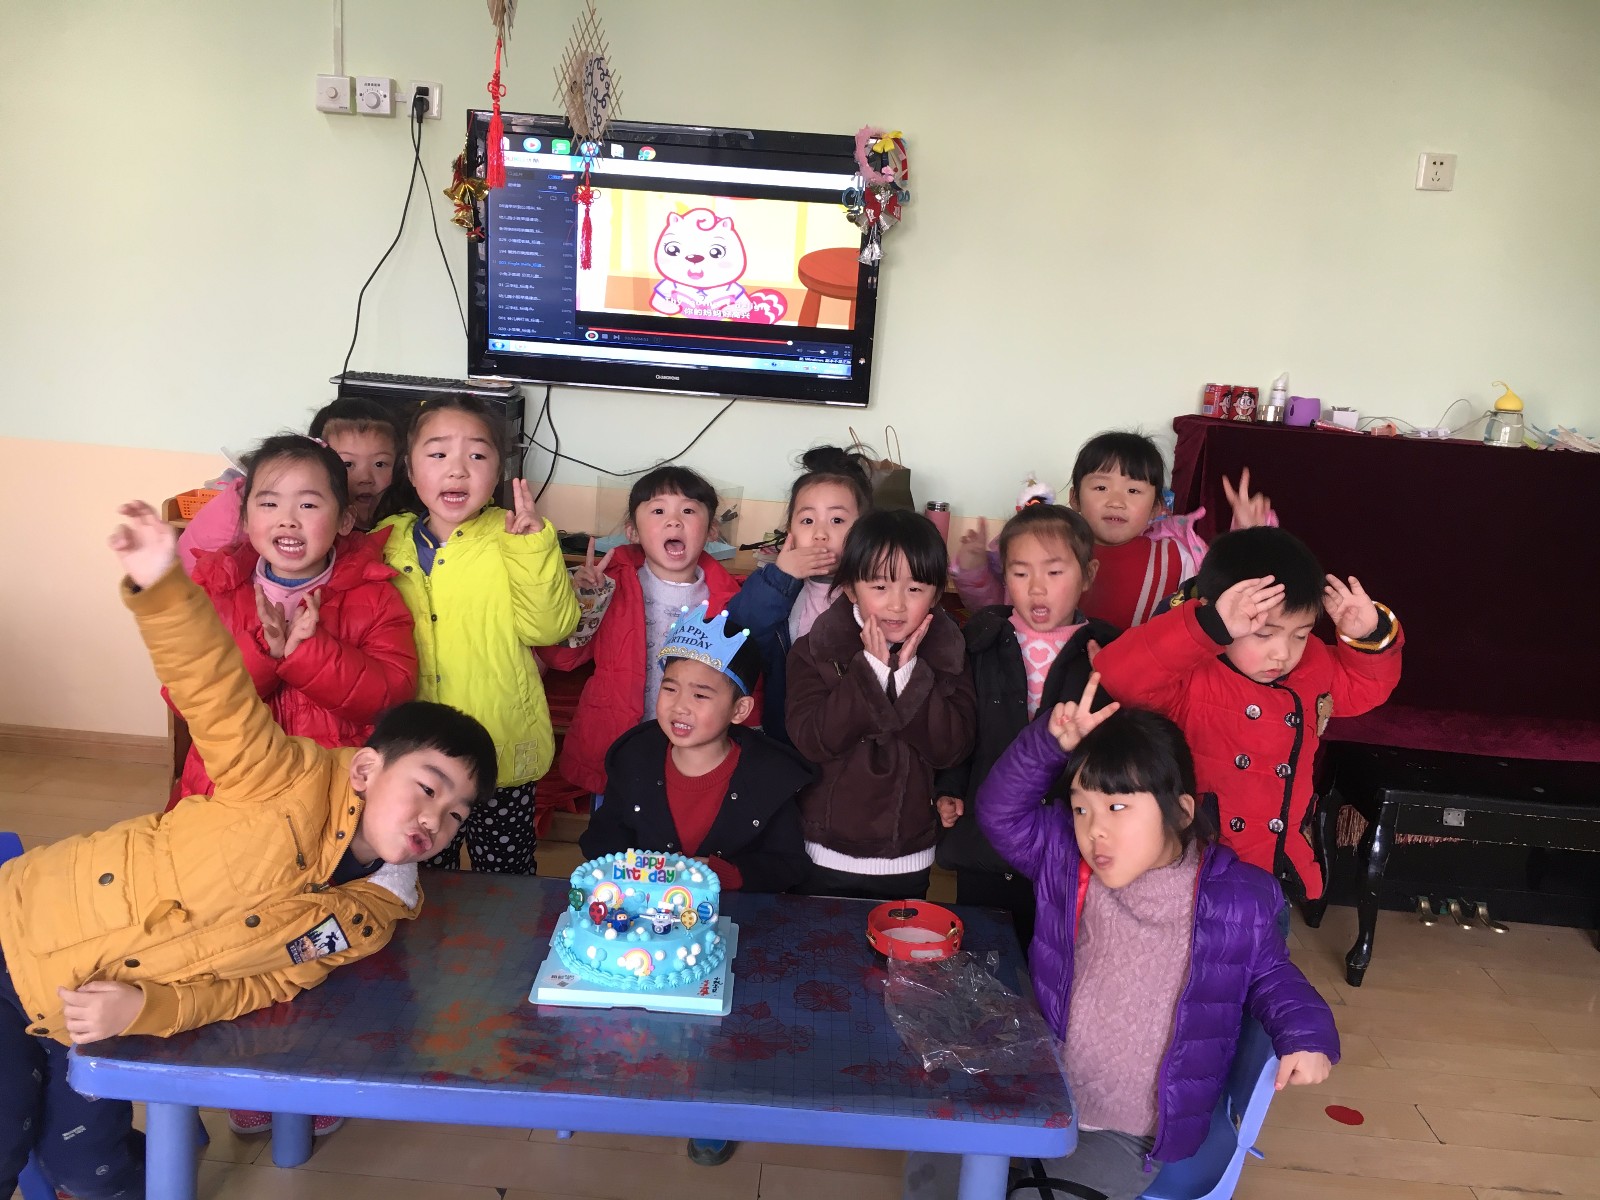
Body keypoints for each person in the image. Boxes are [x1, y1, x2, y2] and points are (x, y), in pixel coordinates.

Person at [0, 501, 497, 1200]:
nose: (434, 819)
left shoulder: (369, 918)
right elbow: (215, 694)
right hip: (18, 932)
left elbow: (263, 985)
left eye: (455, 815)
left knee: (90, 1171)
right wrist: (163, 586)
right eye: (427, 787)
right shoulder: (283, 778)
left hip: (86, 1011)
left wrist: (146, 1010)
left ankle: (169, 1138)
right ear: (365, 769)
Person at [904, 676, 1338, 1200]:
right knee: (935, 1152)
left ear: (1181, 811)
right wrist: (1047, 744)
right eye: (1081, 808)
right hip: (1042, 1096)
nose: (1095, 830)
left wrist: (1308, 1035)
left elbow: (1273, 975)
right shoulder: (1067, 860)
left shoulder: (1236, 898)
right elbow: (999, 813)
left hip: (1129, 1134)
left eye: (1117, 808)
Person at [1093, 526, 1403, 905]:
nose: (1283, 653)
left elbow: (1365, 687)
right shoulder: (1191, 672)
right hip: (1191, 868)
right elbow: (1119, 676)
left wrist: (1369, 634)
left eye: (1300, 634)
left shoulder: (1312, 665)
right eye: (1263, 634)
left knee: (1264, 939)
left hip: (1276, 865)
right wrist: (1207, 625)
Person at [378, 396, 581, 874]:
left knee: (507, 871)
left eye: (476, 455)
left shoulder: (517, 536)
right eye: (438, 453)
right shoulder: (387, 540)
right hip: (420, 754)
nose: (457, 470)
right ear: (410, 470)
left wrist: (532, 549)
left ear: (498, 474)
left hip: (500, 747)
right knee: (423, 866)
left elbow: (551, 627)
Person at [164, 434, 417, 806]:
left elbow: (392, 696)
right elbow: (184, 697)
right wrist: (264, 653)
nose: (287, 520)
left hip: (330, 791)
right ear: (245, 518)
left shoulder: (375, 593)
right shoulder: (218, 587)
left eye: (308, 504)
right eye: (269, 503)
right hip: (230, 788)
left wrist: (309, 653)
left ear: (345, 519)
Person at [933, 504, 1119, 947]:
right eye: (1020, 573)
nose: (1036, 588)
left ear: (1088, 574)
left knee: (1053, 952)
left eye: (1054, 572)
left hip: (1064, 843)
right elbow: (963, 730)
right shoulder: (981, 643)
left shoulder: (1107, 652)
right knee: (978, 950)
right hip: (985, 838)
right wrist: (950, 787)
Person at [786, 509, 976, 900]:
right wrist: (869, 672)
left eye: (915, 589)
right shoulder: (815, 650)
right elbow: (813, 740)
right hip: (824, 850)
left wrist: (908, 677)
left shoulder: (950, 653)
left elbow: (953, 747)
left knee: (896, 941)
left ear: (936, 594)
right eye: (880, 586)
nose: (897, 605)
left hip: (908, 856)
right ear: (851, 588)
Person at [541, 466, 748, 798]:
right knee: (612, 827)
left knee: (682, 825)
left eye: (688, 510)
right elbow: (562, 659)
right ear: (632, 531)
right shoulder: (611, 585)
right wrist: (585, 601)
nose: (674, 521)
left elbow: (743, 687)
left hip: (694, 750)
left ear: (712, 530)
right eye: (658, 510)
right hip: (618, 743)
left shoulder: (730, 601)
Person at [582, 602, 814, 892]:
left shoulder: (769, 776)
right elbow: (601, 840)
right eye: (670, 689)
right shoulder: (634, 757)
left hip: (731, 914)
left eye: (700, 696)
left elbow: (788, 865)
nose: (680, 706)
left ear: (739, 709)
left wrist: (727, 874)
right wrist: (637, 869)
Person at [950, 432, 1276, 629]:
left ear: (1157, 507)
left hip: (1138, 692)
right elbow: (997, 613)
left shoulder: (1179, 555)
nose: (1116, 502)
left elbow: (1222, 601)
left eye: (1133, 491)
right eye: (1101, 487)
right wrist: (974, 570)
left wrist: (1248, 539)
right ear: (1075, 498)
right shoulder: (1046, 547)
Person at [724, 446, 873, 745]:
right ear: (788, 530)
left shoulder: (875, 590)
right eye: (807, 521)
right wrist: (781, 576)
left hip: (853, 740)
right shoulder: (778, 587)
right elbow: (739, 632)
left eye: (837, 520)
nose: (820, 534)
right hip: (786, 735)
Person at [178, 397, 402, 573]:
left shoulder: (395, 515)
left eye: (380, 464)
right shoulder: (257, 510)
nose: (365, 477)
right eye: (347, 464)